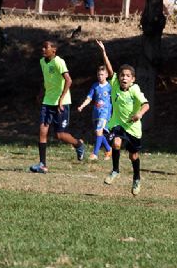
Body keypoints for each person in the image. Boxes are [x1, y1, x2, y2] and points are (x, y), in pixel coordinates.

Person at [97, 40, 150, 196]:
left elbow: (146, 105)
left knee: (133, 156)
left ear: (132, 79)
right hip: (118, 124)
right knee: (116, 142)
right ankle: (115, 170)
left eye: (127, 76)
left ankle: (137, 179)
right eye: (122, 75)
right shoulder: (113, 84)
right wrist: (103, 53)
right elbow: (109, 69)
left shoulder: (135, 90)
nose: (124, 78)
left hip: (133, 128)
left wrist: (139, 114)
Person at [30, 40, 85, 173]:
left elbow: (69, 80)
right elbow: (46, 80)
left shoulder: (59, 62)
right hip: (48, 102)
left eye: (46, 47)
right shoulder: (42, 62)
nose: (43, 49)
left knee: (60, 135)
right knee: (42, 131)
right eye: (42, 47)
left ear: (53, 50)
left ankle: (78, 144)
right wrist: (41, 94)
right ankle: (42, 164)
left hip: (62, 103)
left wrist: (61, 99)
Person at [77, 66, 112, 161]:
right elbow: (89, 98)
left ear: (106, 75)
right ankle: (109, 149)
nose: (100, 76)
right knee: (99, 133)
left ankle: (95, 154)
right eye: (98, 75)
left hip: (105, 113)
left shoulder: (110, 87)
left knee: (99, 131)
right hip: (96, 112)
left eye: (102, 74)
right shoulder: (95, 86)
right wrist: (82, 106)